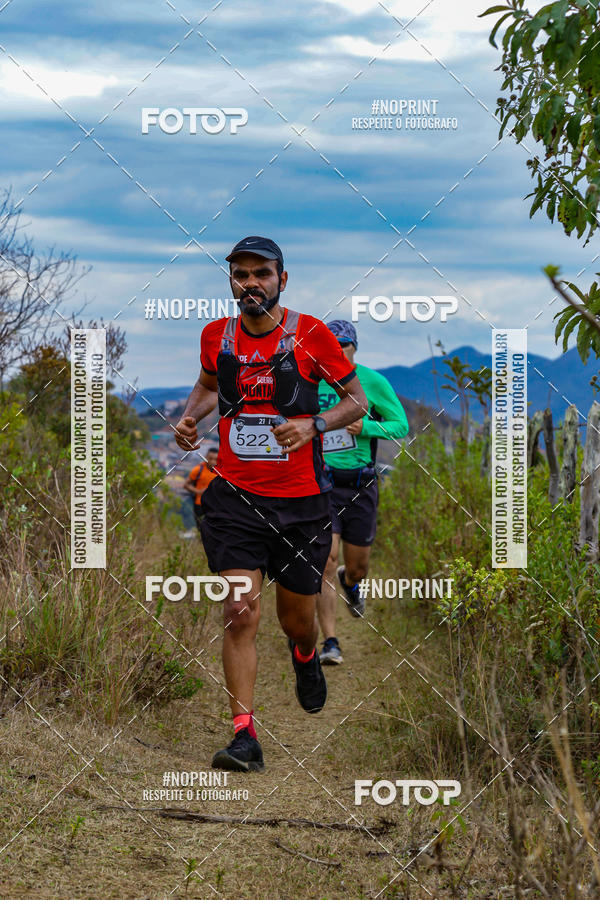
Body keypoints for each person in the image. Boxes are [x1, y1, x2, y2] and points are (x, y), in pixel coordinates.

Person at [174, 237, 367, 772]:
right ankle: (244, 737)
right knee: (239, 612)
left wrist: (314, 424)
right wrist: (192, 417)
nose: (250, 283)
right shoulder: (218, 336)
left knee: (296, 621)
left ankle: (306, 655)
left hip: (303, 506)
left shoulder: (311, 335)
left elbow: (357, 402)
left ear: (284, 279)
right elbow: (209, 386)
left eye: (261, 273)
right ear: (231, 282)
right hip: (236, 499)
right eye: (240, 274)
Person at [316, 320, 409, 665]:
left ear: (354, 347)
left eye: (344, 344)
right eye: (331, 344)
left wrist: (367, 426)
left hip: (360, 485)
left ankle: (351, 585)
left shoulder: (371, 382)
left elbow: (401, 424)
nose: (338, 349)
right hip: (322, 483)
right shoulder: (312, 378)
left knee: (357, 567)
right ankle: (331, 642)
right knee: (325, 561)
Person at [184, 447, 218, 530]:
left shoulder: (220, 471)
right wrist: (198, 491)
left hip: (216, 505)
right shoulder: (198, 470)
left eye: (215, 459)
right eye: (210, 459)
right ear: (206, 457)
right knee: (201, 529)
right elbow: (186, 485)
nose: (213, 461)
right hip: (200, 505)